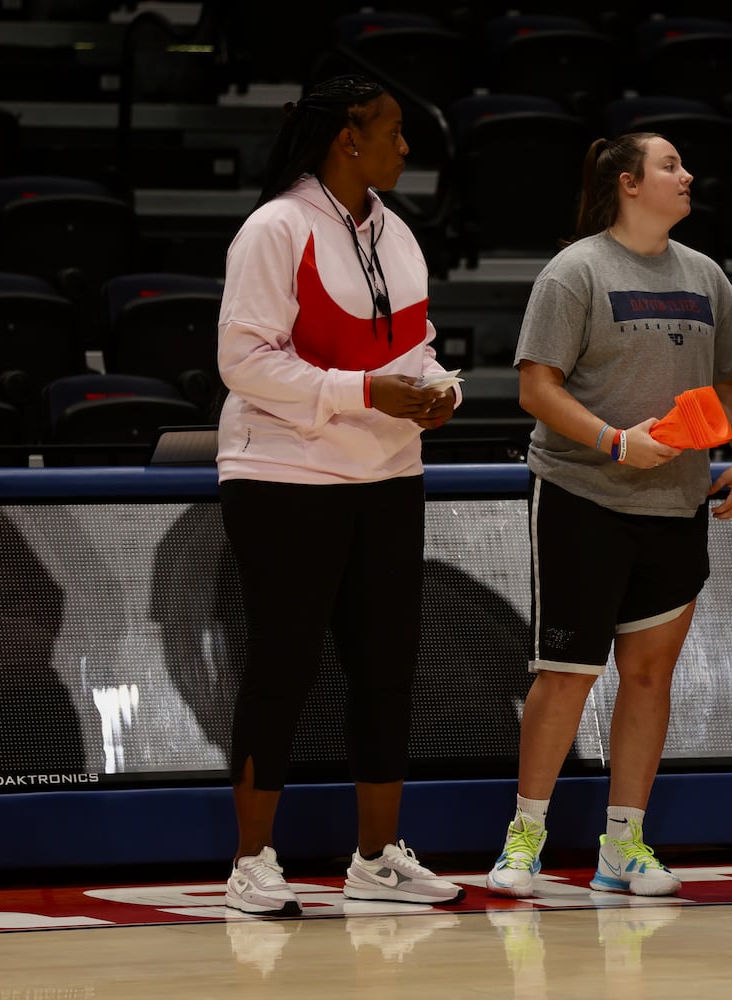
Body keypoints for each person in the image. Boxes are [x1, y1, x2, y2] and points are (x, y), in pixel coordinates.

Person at [484, 132, 732, 898]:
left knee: (648, 679)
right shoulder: (575, 270)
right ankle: (524, 840)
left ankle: (623, 846)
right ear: (629, 184)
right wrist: (613, 441)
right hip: (583, 497)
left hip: (676, 505)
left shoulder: (706, 276)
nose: (688, 174)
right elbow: (536, 388)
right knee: (566, 675)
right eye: (671, 164)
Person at [215, 74, 463, 915]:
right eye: (394, 131)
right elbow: (243, 361)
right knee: (282, 668)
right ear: (346, 138)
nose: (405, 147)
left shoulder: (398, 233)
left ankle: (377, 859)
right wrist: (365, 392)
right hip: (285, 475)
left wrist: (442, 389)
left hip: (389, 474)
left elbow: (417, 344)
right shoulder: (275, 227)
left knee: (387, 670)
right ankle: (251, 862)